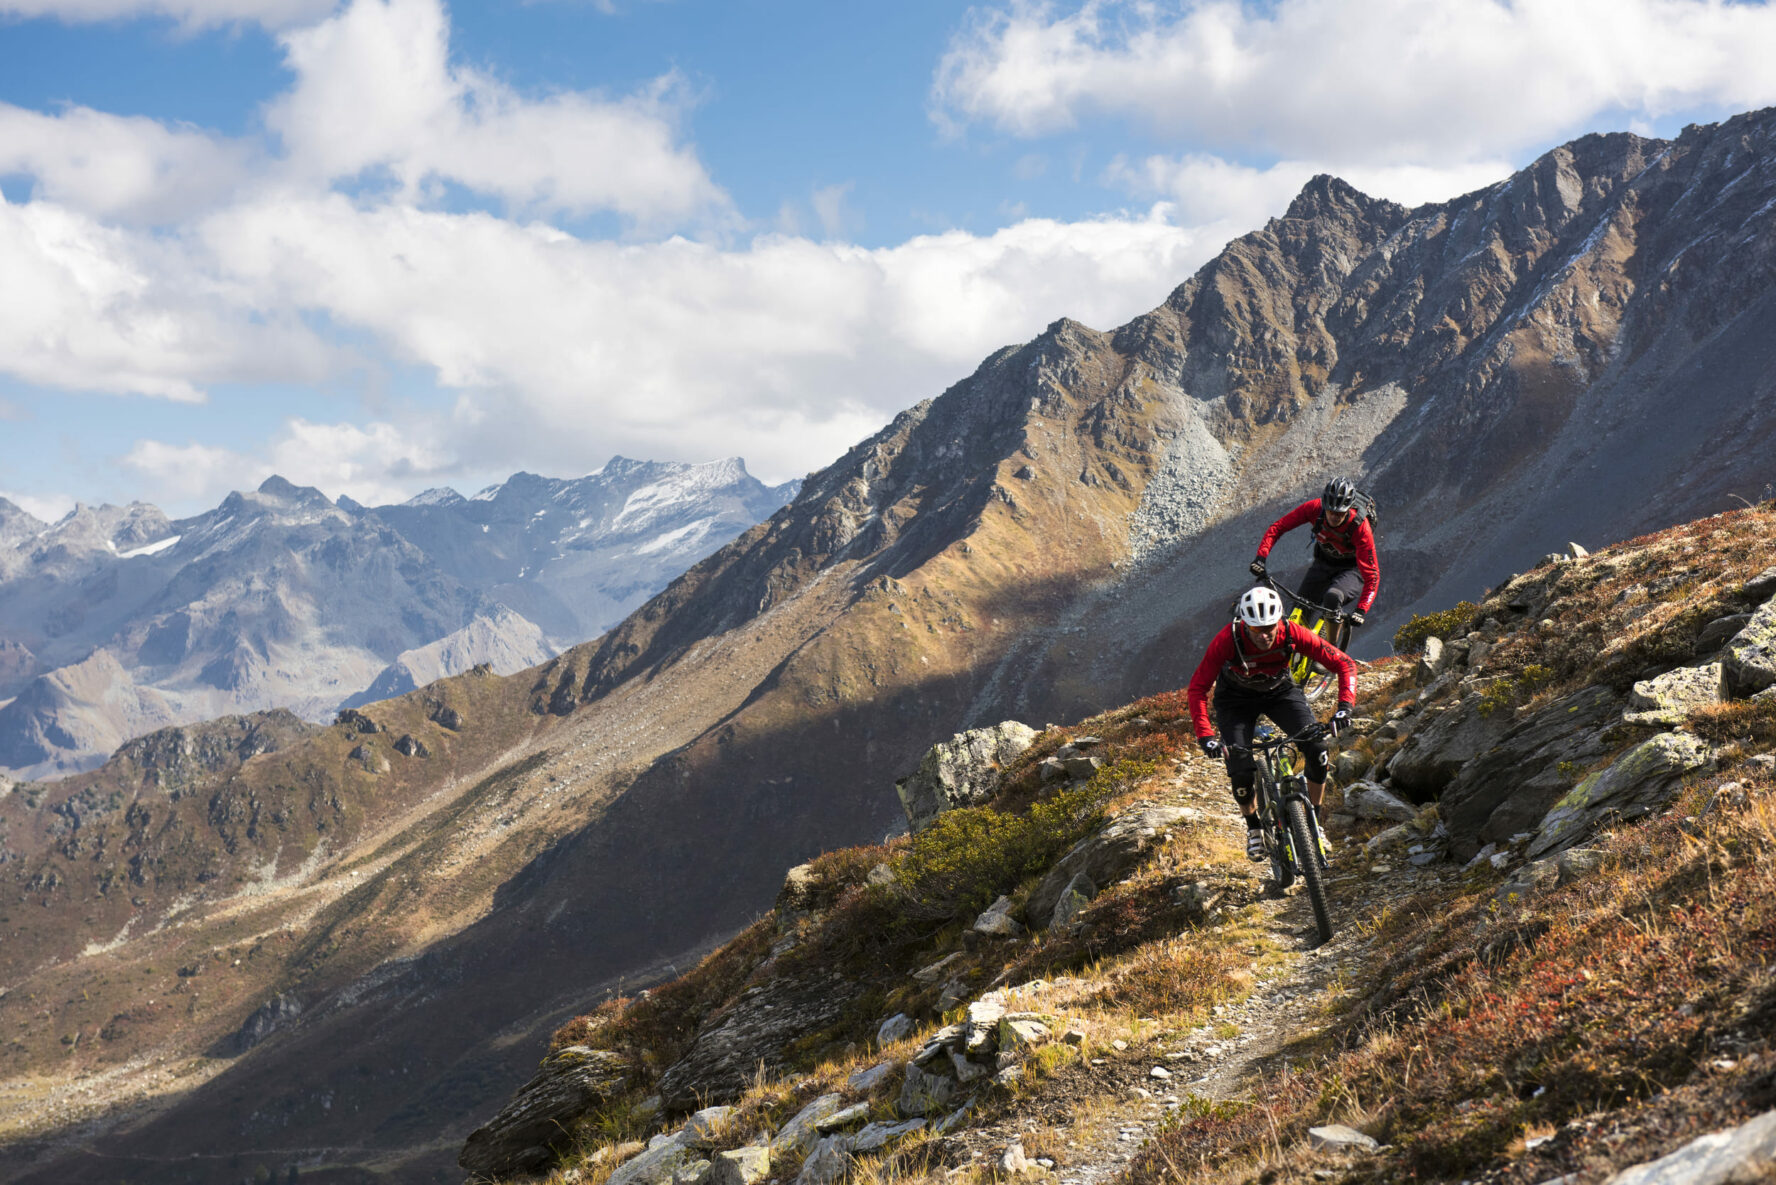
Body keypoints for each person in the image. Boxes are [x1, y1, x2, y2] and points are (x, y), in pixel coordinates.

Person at [1187, 585, 1358, 862]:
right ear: (1244, 624)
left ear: (1278, 619)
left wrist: (1344, 708)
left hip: (1280, 692)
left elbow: (1345, 664)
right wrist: (1205, 736)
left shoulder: (1291, 632)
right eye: (1257, 629)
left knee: (1317, 747)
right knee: (1240, 770)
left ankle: (1314, 823)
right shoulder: (1227, 640)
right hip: (1234, 701)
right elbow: (1197, 688)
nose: (1265, 634)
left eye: (1269, 627)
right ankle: (1254, 828)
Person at [1248, 477, 1378, 635]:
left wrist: (1361, 609)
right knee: (1300, 608)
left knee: (1333, 597)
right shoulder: (1314, 508)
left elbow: (1372, 575)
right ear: (1324, 506)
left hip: (1352, 570)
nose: (1334, 517)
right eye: (1330, 511)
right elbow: (1278, 527)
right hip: (1323, 563)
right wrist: (1261, 558)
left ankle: (1330, 650)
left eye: (1340, 513)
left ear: (1348, 508)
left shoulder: (1360, 527)